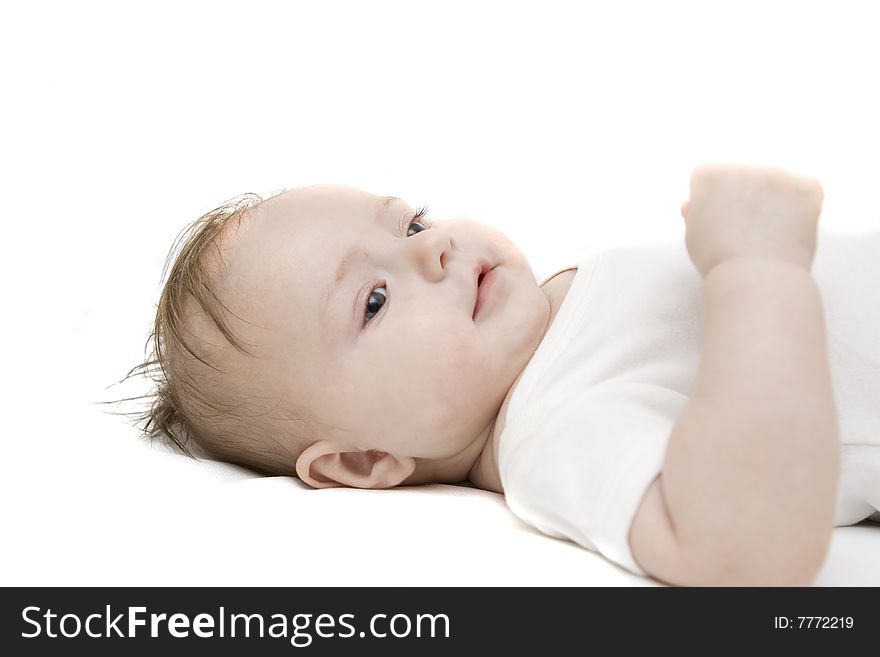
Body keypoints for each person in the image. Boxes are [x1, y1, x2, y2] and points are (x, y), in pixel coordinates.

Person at [128, 164, 880, 586]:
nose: (436, 250)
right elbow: (743, 549)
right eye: (376, 300)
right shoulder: (553, 431)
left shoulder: (558, 323)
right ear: (362, 460)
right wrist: (759, 267)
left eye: (412, 222)